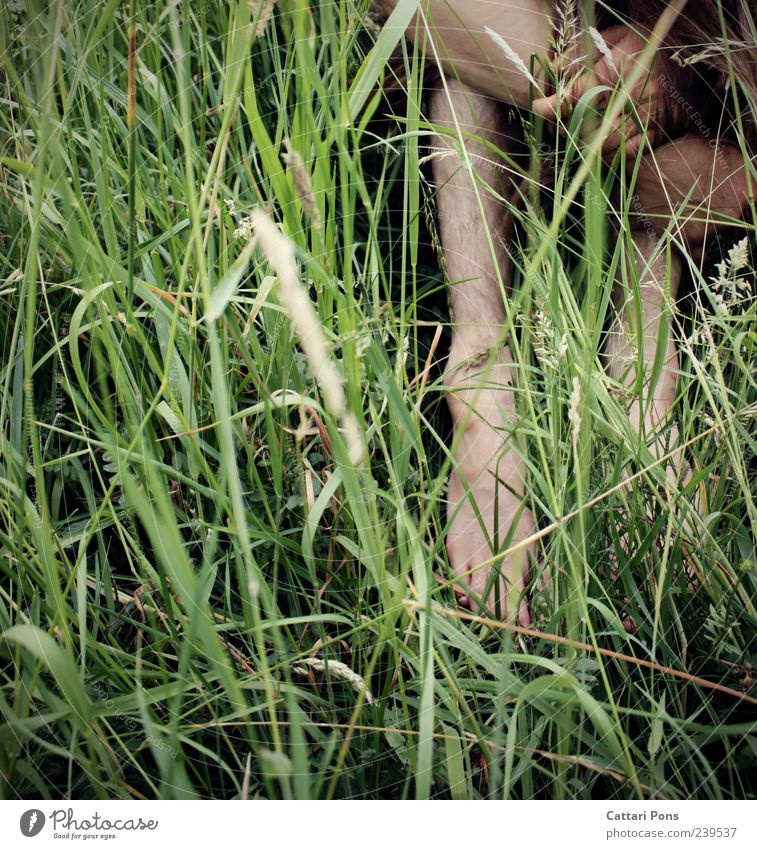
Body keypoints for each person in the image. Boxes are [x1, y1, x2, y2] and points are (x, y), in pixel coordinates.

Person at [375, 0, 756, 623]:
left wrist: (718, 153)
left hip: (714, 111)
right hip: (530, 83)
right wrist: (591, 71)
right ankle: (481, 376)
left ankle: (642, 397)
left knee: (660, 77)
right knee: (482, 60)